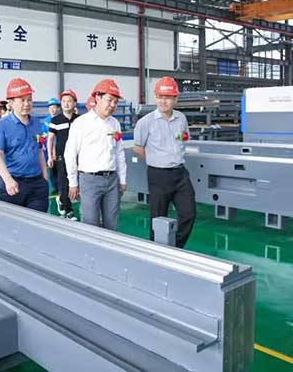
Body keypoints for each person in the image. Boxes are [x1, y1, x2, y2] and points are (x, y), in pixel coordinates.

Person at [133, 76, 195, 248]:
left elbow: (184, 138)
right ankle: (157, 252)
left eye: (167, 97)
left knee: (188, 214)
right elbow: (138, 148)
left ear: (175, 99)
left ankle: (175, 248)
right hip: (158, 175)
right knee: (158, 219)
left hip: (180, 174)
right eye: (160, 97)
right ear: (155, 97)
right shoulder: (146, 122)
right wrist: (155, 160)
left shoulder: (181, 119)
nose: (163, 101)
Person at [64, 79, 126, 230]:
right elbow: (70, 154)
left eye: (115, 102)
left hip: (112, 180)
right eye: (109, 100)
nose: (112, 105)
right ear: (97, 97)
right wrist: (73, 182)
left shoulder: (115, 124)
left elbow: (119, 153)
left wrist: (122, 179)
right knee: (90, 225)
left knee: (112, 224)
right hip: (89, 180)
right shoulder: (81, 123)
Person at [0, 78, 49, 212]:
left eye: (29, 99)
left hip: (37, 183)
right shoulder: (2, 125)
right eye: (22, 100)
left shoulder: (36, 123)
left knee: (38, 221)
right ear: (11, 103)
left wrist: (45, 177)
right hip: (14, 184)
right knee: (14, 222)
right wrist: (8, 180)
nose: (27, 104)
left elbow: (39, 150)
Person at [47, 89, 79, 219]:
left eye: (69, 101)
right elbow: (50, 138)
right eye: (63, 101)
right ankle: (68, 209)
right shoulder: (55, 120)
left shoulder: (79, 120)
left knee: (77, 181)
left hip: (78, 156)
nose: (66, 104)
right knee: (63, 182)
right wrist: (50, 156)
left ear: (74, 103)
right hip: (61, 156)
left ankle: (62, 199)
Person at [42, 97, 60, 191]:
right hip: (49, 150)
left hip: (60, 150)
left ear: (58, 108)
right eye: (50, 107)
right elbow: (42, 135)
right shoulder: (46, 121)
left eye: (54, 107)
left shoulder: (61, 119)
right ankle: (54, 187)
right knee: (52, 169)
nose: (52, 110)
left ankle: (61, 188)